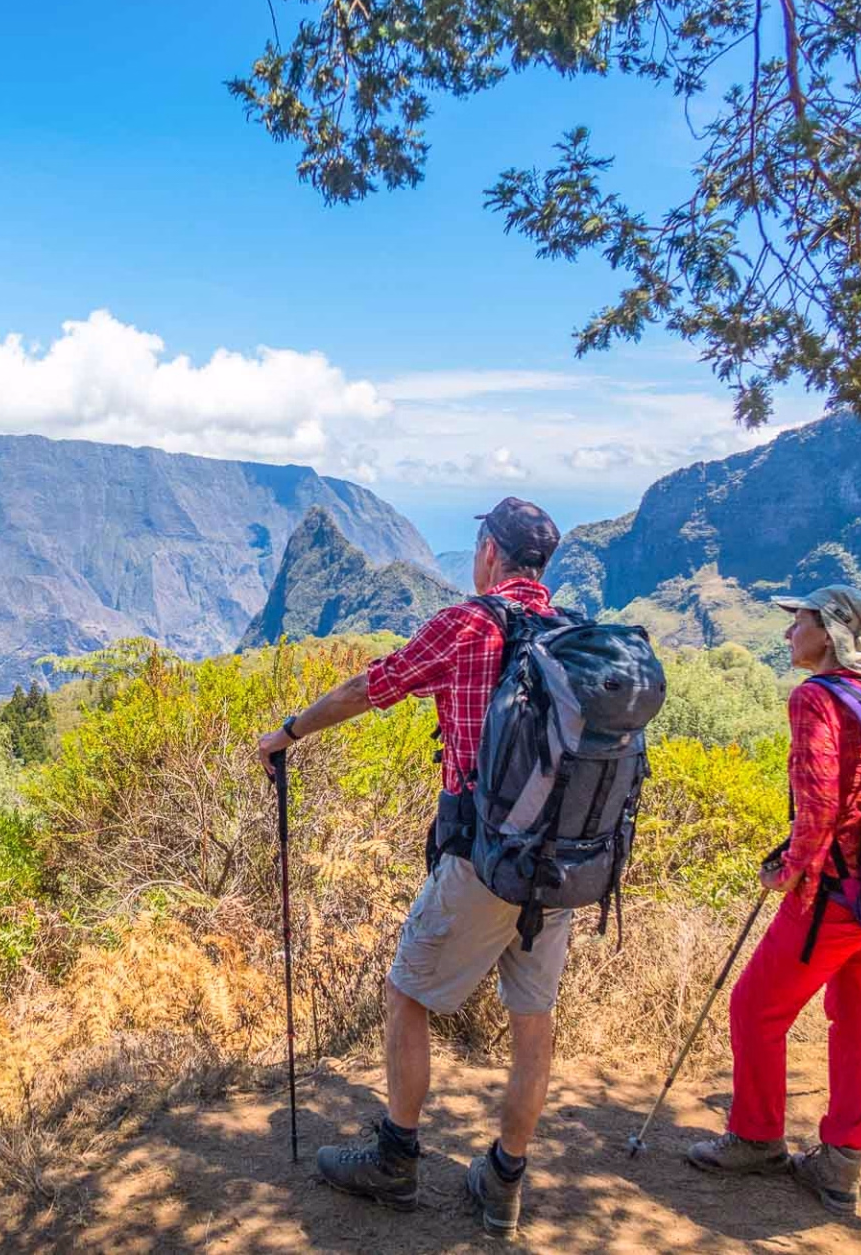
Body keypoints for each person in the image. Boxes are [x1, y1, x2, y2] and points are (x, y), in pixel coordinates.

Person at [255, 496, 565, 1237]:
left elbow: (372, 686)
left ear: (490, 552)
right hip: (559, 866)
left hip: (483, 858)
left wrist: (288, 733)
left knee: (406, 994)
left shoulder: (468, 626)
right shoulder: (570, 633)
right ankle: (505, 1179)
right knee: (533, 1022)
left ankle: (395, 1157)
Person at [686, 584, 861, 1216]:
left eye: (798, 622)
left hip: (832, 894)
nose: (787, 635)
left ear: (828, 632)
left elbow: (820, 805)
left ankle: (756, 1137)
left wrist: (790, 871)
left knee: (756, 1007)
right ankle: (842, 1165)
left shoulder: (815, 699)